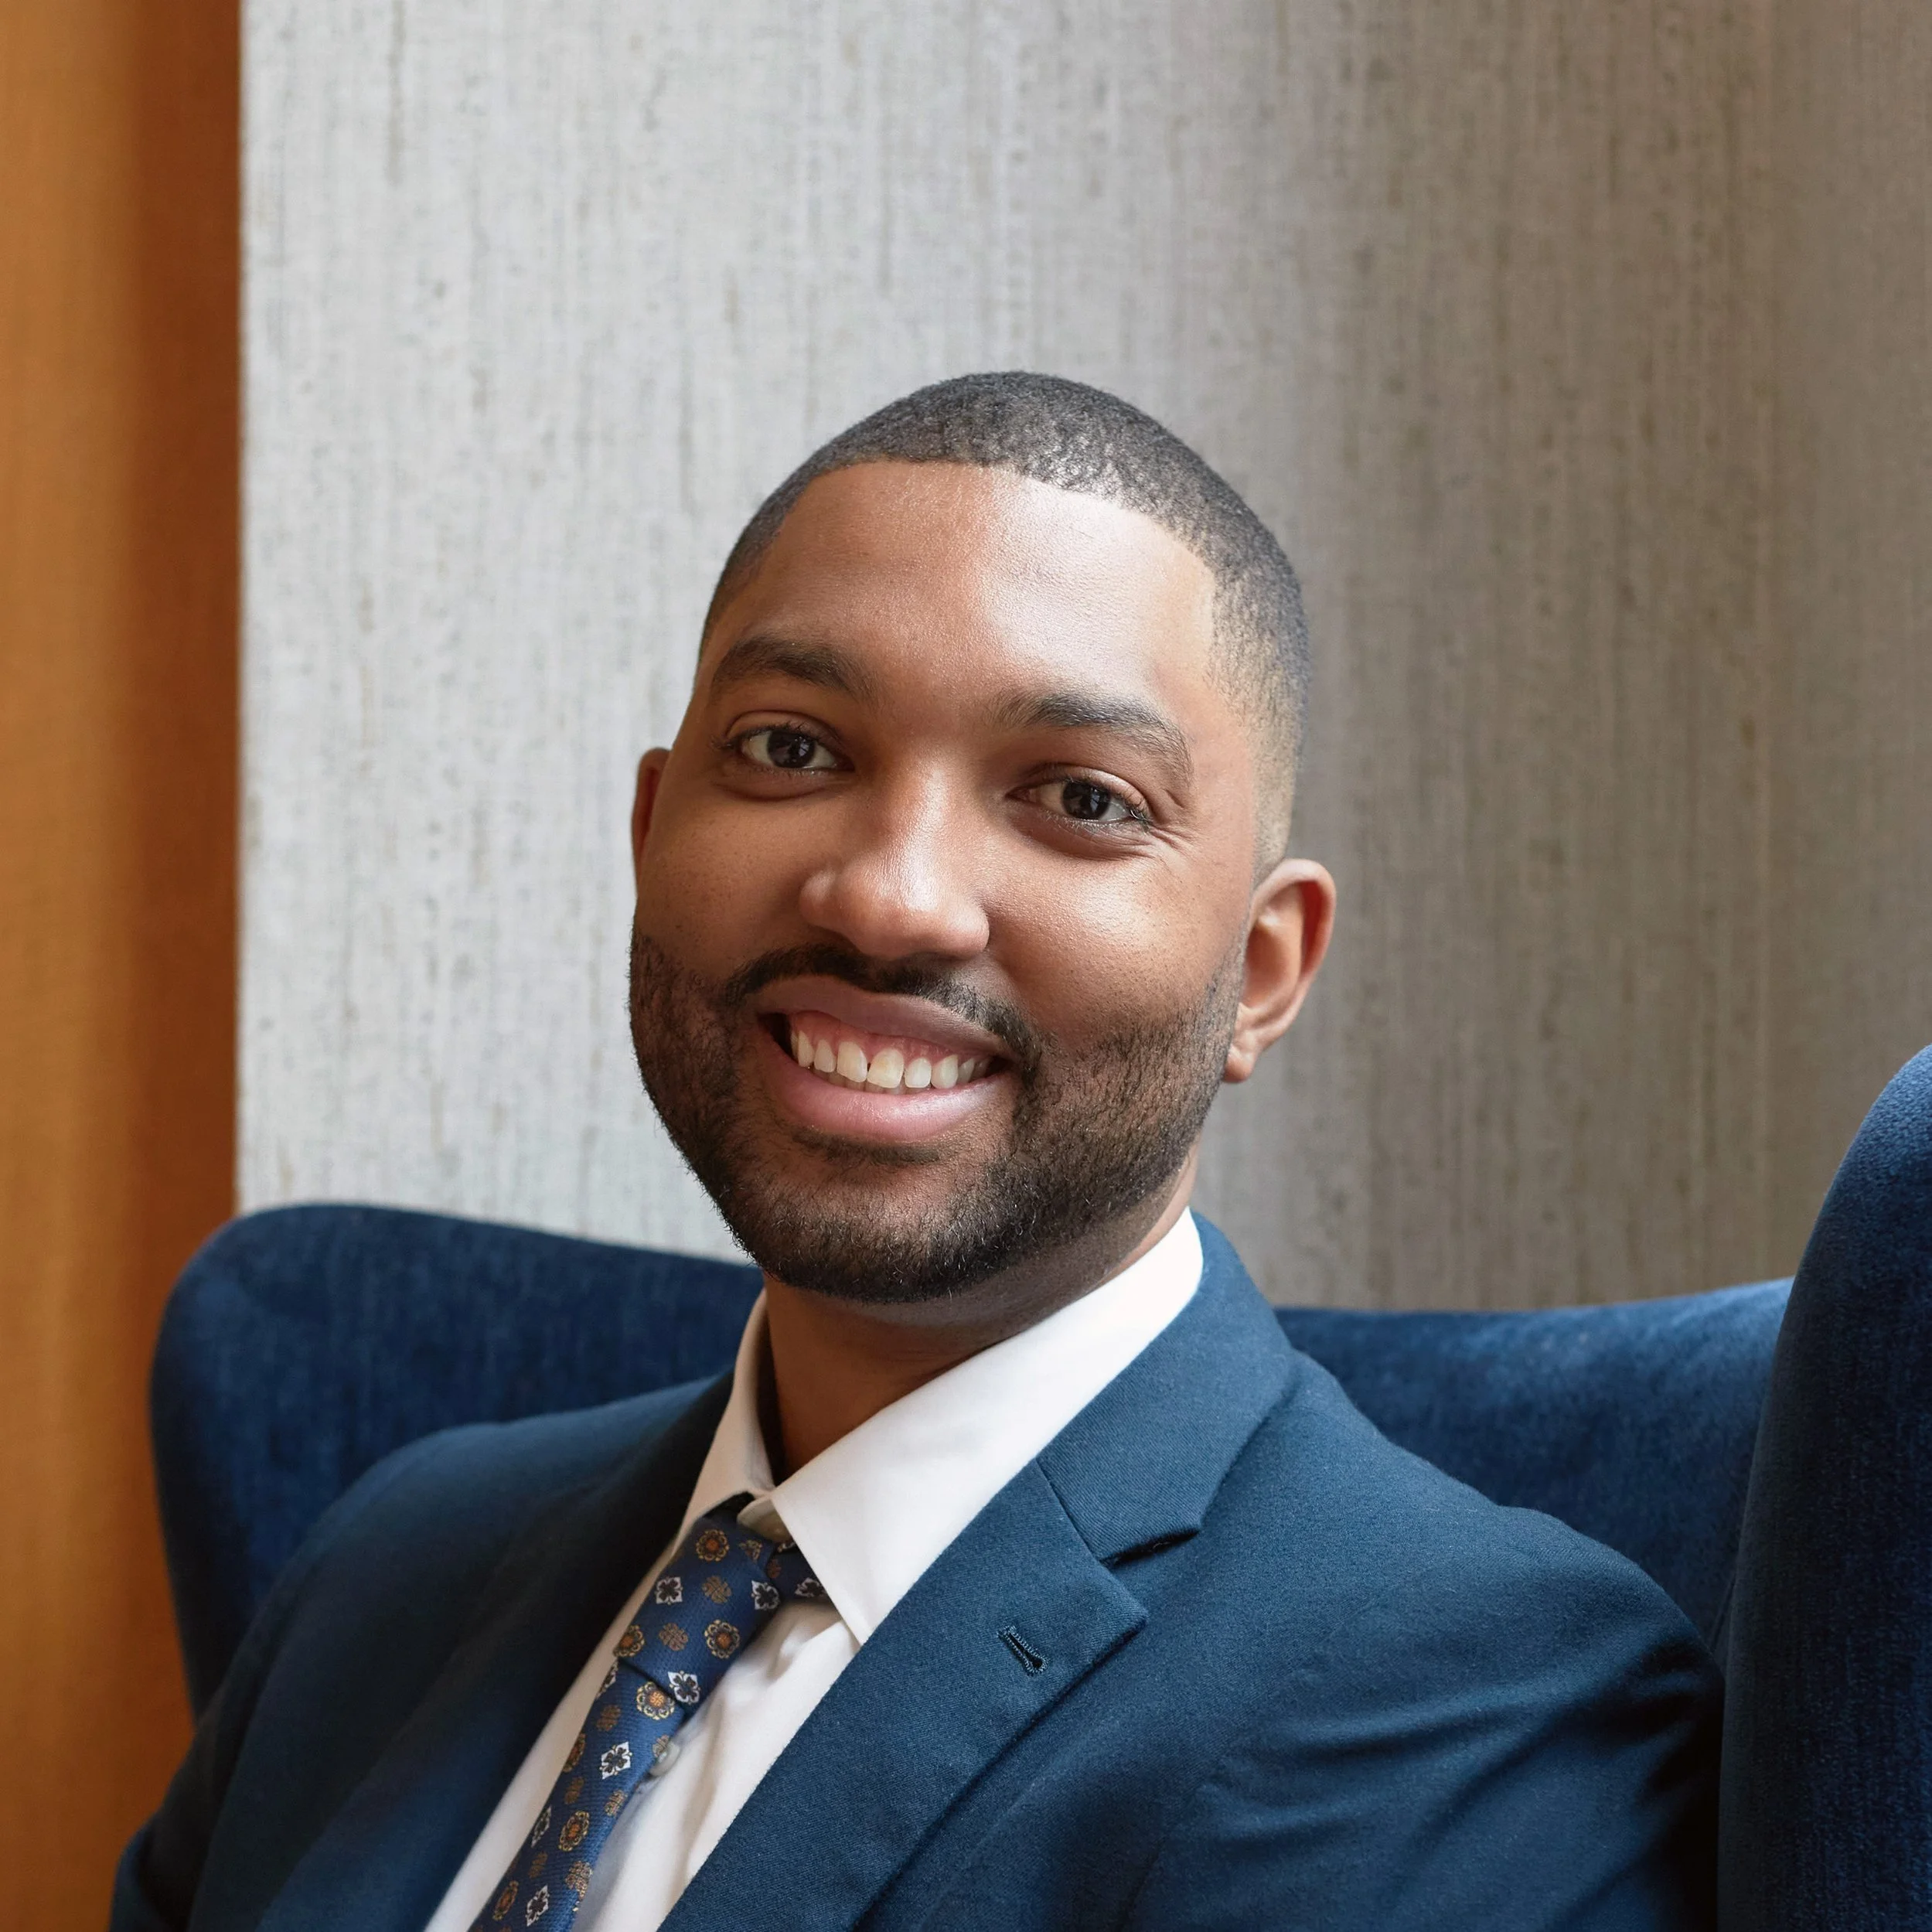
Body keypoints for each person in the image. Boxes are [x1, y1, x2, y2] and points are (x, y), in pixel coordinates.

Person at [114, 373, 1718, 1932]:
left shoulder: (1477, 1697)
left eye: (1080, 797)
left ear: (1265, 971)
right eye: (794, 751)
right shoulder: (390, 1566)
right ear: (651, 832)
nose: (889, 898)